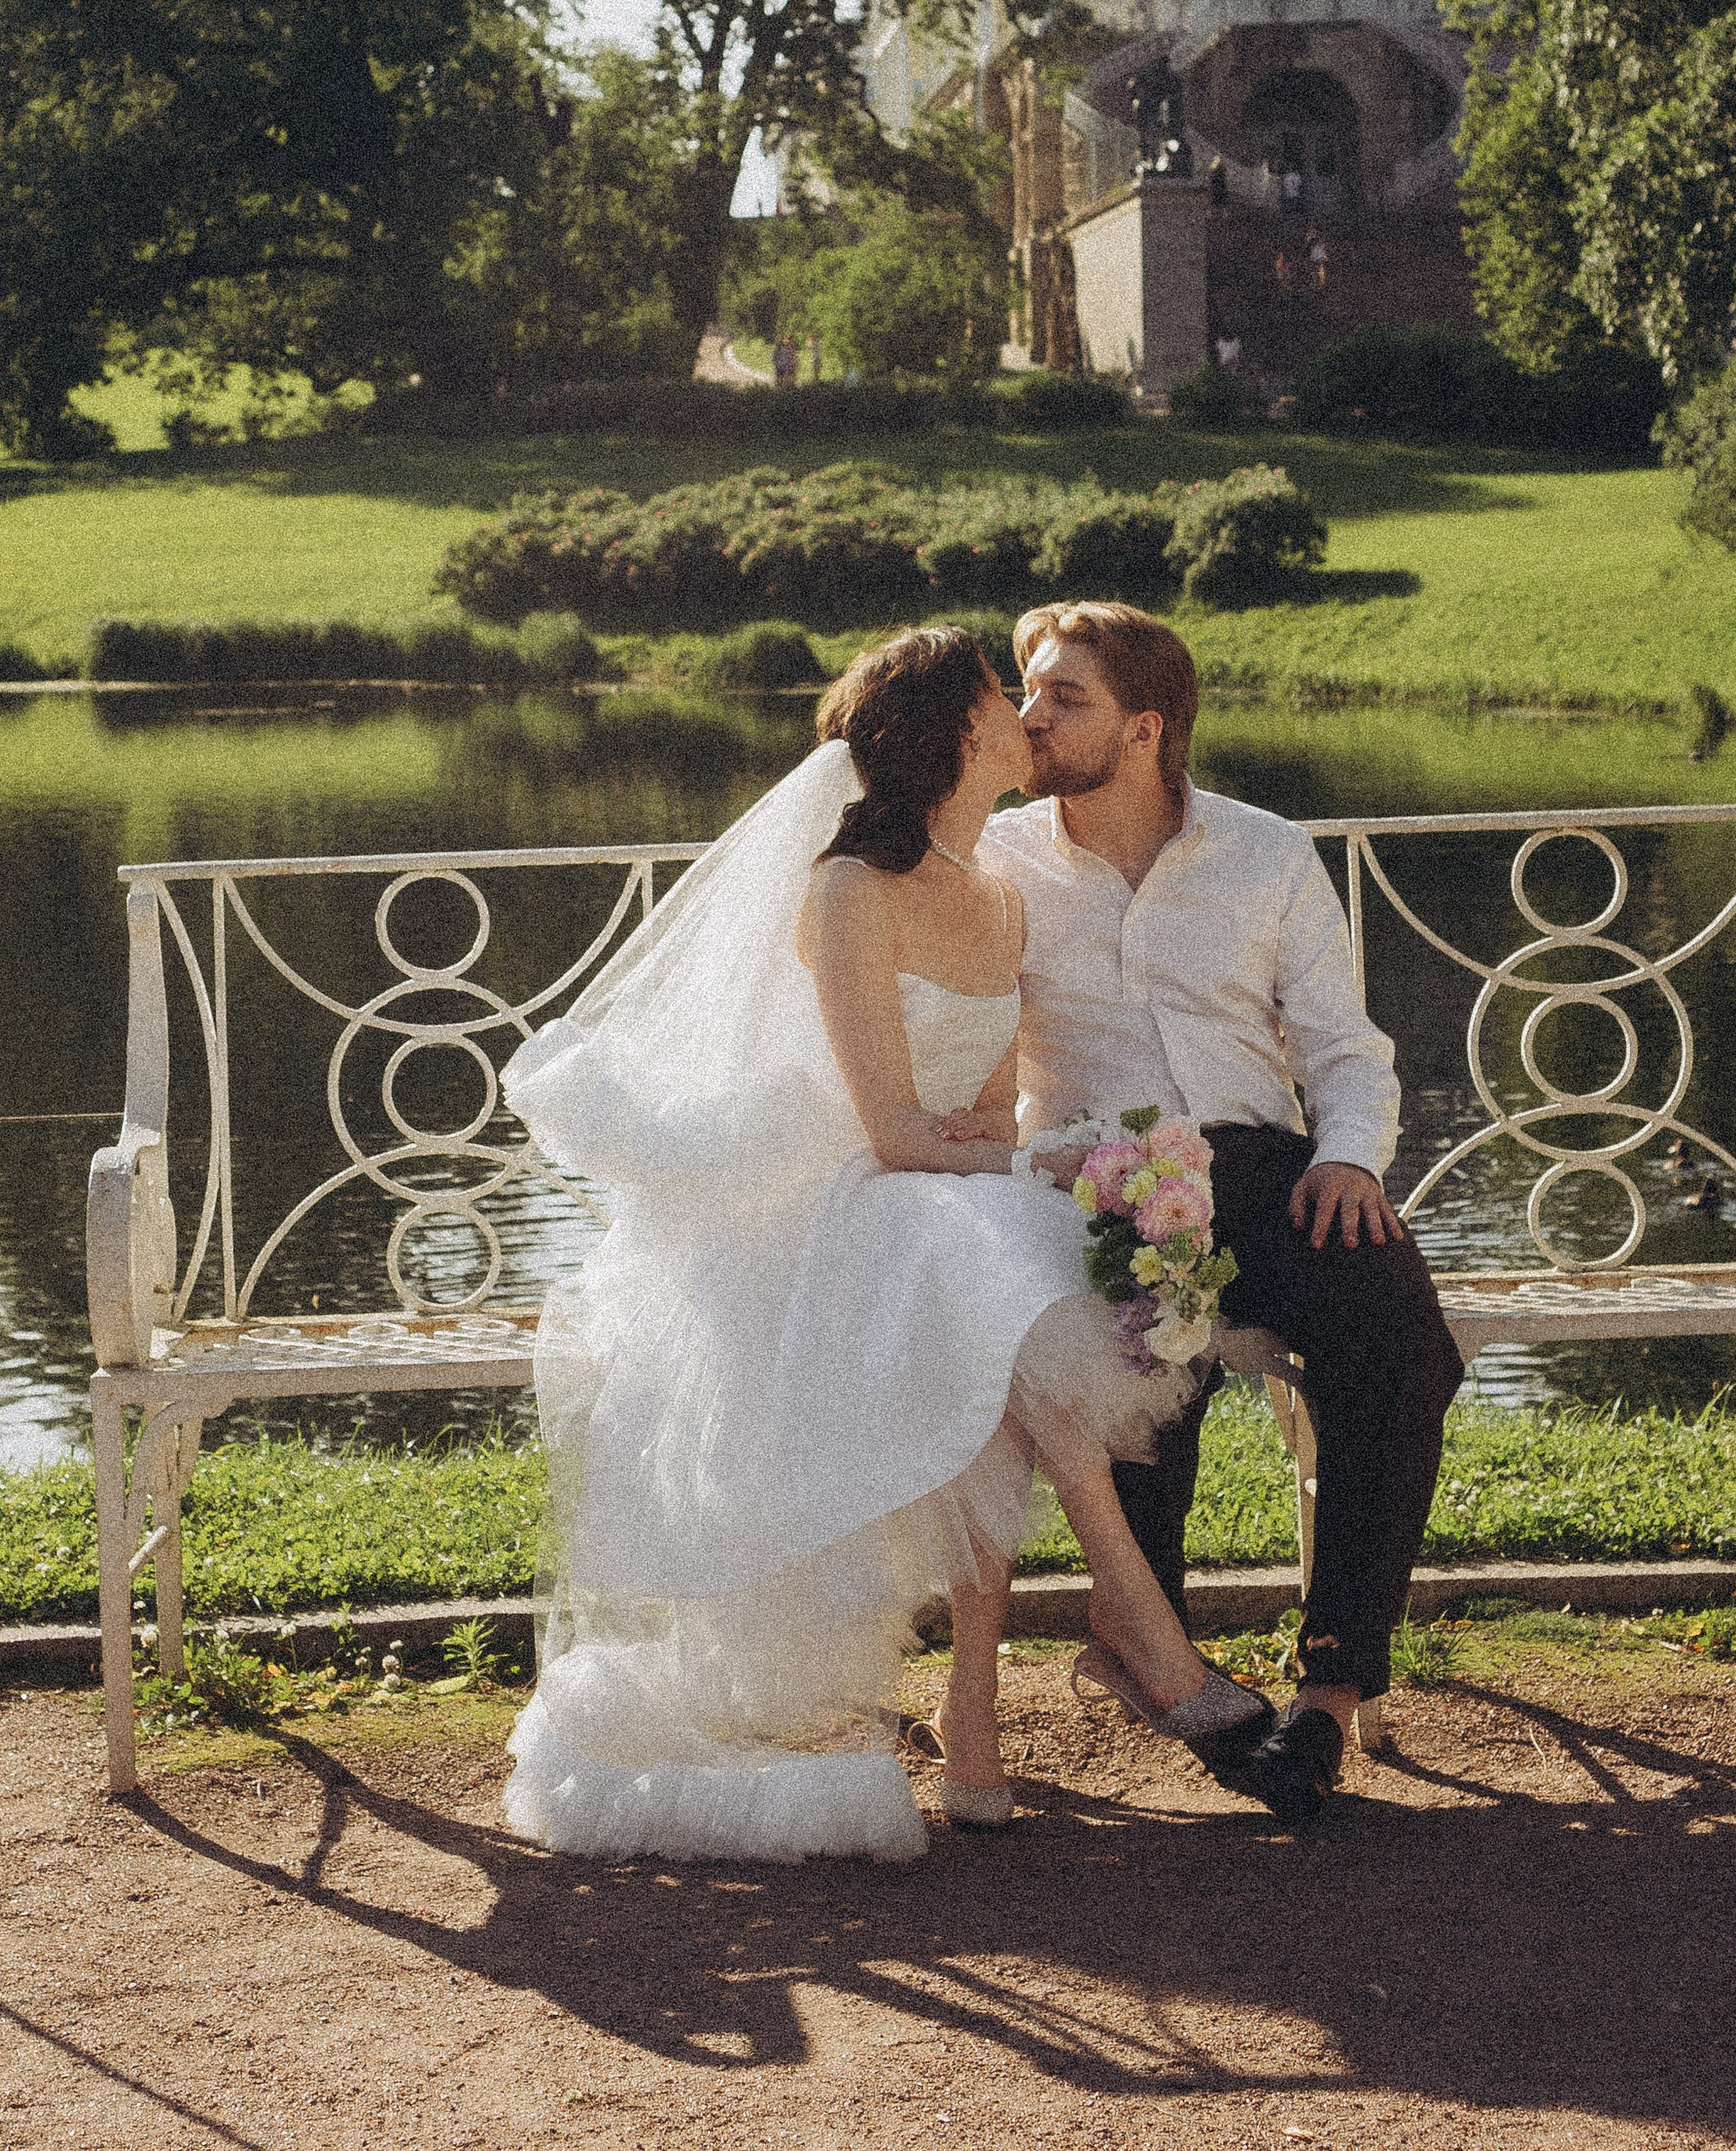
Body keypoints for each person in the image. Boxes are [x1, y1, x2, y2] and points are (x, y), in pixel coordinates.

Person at [499, 627, 1289, 1862]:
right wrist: (1016, 1156)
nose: (1028, 721)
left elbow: (975, 1109)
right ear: (960, 738)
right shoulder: (848, 889)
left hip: (935, 1203)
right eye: (1005, 703)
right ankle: (1141, 1627)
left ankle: (983, 1722)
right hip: (828, 1207)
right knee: (991, 1277)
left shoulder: (1003, 903)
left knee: (993, 1298)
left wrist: (1019, 1151)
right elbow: (891, 1126)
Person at [966, 604, 1465, 1828]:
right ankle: (1152, 1648)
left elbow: (1346, 1047)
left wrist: (1350, 1160)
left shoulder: (1267, 853)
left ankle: (1332, 1692)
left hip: (1268, 1173)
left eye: (1061, 697)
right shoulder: (999, 863)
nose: (1030, 717)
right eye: (1030, 692)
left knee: (1404, 1349)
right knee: (1144, 1358)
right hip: (1098, 1181)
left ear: (1145, 730)